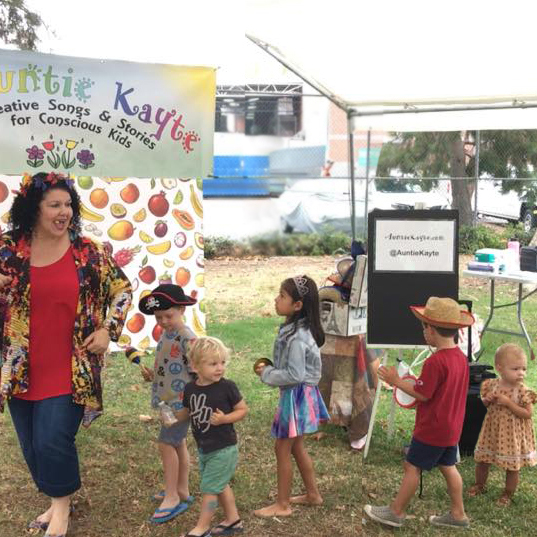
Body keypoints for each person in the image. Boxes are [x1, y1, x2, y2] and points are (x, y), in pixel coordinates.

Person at [0, 172, 132, 537]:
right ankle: (58, 496)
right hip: (20, 367)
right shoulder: (8, 250)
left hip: (71, 365)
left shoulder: (87, 251)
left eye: (68, 205)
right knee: (31, 446)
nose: (64, 212)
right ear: (33, 209)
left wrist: (109, 330)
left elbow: (122, 290)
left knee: (52, 438)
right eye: (54, 205)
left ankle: (60, 511)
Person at [364, 296, 474, 529]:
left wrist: (396, 381)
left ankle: (395, 512)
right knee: (448, 466)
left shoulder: (436, 362)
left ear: (431, 330)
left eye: (424, 326)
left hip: (432, 427)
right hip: (452, 427)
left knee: (412, 466)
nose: (423, 331)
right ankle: (458, 514)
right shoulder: (461, 359)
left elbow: (423, 394)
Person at [254, 274, 329, 518]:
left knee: (282, 448)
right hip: (302, 395)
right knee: (296, 446)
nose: (276, 299)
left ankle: (283, 504)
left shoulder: (297, 337)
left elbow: (294, 374)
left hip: (296, 396)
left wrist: (267, 373)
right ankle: (313, 495)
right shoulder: (296, 328)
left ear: (297, 305)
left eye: (282, 296)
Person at [172, 336, 248, 537]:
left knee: (210, 488)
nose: (220, 368)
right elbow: (187, 412)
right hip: (205, 447)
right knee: (218, 484)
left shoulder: (227, 386)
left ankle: (202, 527)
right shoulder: (190, 388)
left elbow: (242, 410)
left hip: (224, 448)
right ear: (195, 366)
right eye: (213, 364)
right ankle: (233, 520)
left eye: (222, 362)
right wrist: (173, 417)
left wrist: (225, 419)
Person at [137, 284, 197, 523]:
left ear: (181, 309)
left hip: (180, 404)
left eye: (168, 316)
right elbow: (171, 365)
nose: (163, 321)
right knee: (177, 443)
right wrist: (155, 374)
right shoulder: (167, 334)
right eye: (158, 317)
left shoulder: (187, 338)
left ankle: (172, 496)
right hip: (167, 402)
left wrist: (191, 404)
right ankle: (182, 490)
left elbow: (197, 372)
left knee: (166, 444)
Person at [469, 343, 536, 505]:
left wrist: (508, 403)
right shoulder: (491, 385)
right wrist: (487, 400)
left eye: (523, 369)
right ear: (499, 368)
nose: (521, 373)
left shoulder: (522, 390)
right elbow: (485, 404)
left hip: (512, 434)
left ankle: (507, 493)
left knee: (512, 466)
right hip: (492, 430)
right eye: (515, 369)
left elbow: (528, 414)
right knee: (483, 459)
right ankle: (480, 484)